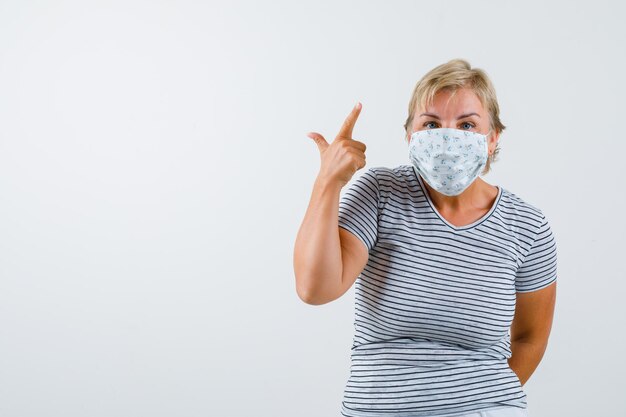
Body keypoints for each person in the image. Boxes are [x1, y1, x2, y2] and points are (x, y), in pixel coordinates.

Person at [293, 59, 557, 417]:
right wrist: (328, 182)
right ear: (410, 136)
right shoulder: (381, 193)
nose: (449, 137)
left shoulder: (528, 226)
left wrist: (476, 403)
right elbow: (315, 288)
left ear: (493, 138)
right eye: (431, 124)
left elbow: (530, 338)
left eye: (467, 124)